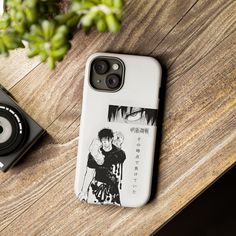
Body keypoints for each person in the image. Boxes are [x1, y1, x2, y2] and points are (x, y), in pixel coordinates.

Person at [78, 128, 126, 205]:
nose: (106, 144)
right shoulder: (94, 153)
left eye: (108, 141)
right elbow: (90, 173)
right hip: (97, 188)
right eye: (104, 141)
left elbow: (120, 172)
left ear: (111, 139)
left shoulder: (120, 154)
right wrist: (84, 191)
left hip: (113, 189)